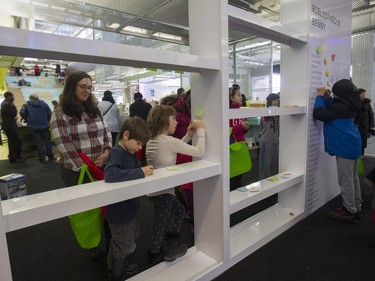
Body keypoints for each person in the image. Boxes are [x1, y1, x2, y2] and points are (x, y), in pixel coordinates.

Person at [146, 105, 205, 265]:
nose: (176, 122)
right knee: (161, 221)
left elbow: (173, 149)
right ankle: (154, 252)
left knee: (179, 211)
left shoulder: (154, 139)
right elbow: (199, 151)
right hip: (163, 191)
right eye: (173, 119)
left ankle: (169, 243)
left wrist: (188, 134)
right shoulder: (168, 141)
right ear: (165, 121)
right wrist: (201, 130)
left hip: (155, 190)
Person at [104, 116, 153, 281]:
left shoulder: (129, 151)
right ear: (126, 135)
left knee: (126, 240)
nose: (139, 148)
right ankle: (117, 274)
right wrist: (140, 172)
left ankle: (116, 267)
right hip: (120, 211)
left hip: (129, 207)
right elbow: (110, 174)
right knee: (123, 244)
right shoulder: (117, 152)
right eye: (138, 143)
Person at [313, 79, 362, 223]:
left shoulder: (341, 107)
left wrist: (320, 97)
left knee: (345, 180)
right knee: (353, 179)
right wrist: (328, 99)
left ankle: (349, 210)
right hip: (352, 144)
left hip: (344, 146)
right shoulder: (350, 103)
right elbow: (334, 108)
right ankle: (356, 206)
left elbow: (319, 114)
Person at [20, 94, 54, 163]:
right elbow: (50, 114)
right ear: (38, 98)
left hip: (34, 126)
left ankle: (42, 158)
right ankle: (50, 155)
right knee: (47, 141)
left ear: (30, 98)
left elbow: (22, 113)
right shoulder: (44, 104)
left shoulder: (26, 105)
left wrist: (27, 118)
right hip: (45, 125)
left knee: (39, 143)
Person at [229, 86, 249, 190]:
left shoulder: (242, 110)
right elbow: (227, 130)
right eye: (238, 95)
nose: (240, 97)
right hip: (232, 146)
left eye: (240, 95)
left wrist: (246, 128)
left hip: (241, 144)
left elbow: (243, 130)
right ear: (231, 98)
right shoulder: (228, 112)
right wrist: (240, 126)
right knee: (233, 174)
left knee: (240, 173)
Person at [259, 93, 280, 180]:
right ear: (270, 101)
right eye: (275, 100)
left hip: (275, 141)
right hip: (266, 141)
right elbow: (266, 117)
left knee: (274, 166)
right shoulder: (266, 111)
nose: (276, 102)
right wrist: (271, 109)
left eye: (277, 101)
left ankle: (272, 186)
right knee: (265, 167)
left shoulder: (278, 111)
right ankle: (262, 185)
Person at [129, 92, 152, 165]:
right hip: (147, 127)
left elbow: (131, 117)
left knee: (138, 144)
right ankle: (145, 160)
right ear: (141, 97)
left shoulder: (132, 106)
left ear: (134, 98)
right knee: (146, 143)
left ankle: (138, 161)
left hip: (136, 127)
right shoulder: (148, 105)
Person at [1, 91, 24, 163]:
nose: (13, 98)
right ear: (9, 96)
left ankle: (13, 157)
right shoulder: (7, 104)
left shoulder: (4, 104)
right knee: (15, 141)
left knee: (13, 141)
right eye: (12, 96)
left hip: (8, 125)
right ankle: (15, 157)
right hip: (10, 126)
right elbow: (13, 113)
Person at [357, 88, 374, 155]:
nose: (363, 95)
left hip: (365, 126)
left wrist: (372, 126)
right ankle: (357, 155)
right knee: (357, 141)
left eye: (364, 94)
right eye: (362, 94)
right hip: (357, 126)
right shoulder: (355, 103)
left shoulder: (367, 103)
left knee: (363, 142)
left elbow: (371, 115)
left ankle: (362, 155)